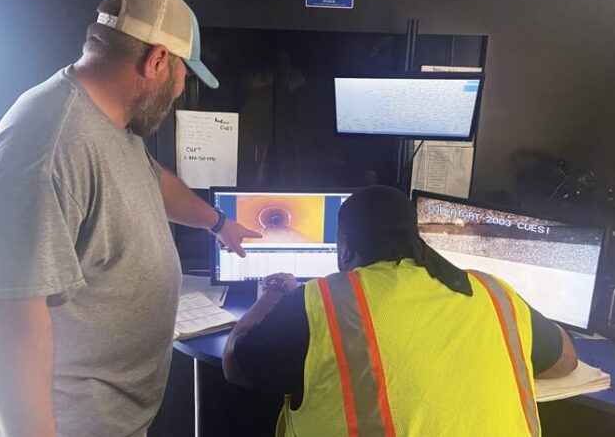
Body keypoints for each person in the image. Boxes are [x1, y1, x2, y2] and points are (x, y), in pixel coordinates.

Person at [0, 0, 259, 437]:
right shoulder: (48, 143)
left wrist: (219, 224)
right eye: (184, 72)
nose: (183, 88)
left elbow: (154, 181)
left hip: (114, 419)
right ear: (158, 60)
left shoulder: (113, 123)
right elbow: (9, 325)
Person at [223, 185, 578, 436]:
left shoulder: (324, 302)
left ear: (345, 247)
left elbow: (235, 365)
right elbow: (565, 360)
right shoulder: (493, 292)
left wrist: (272, 292)